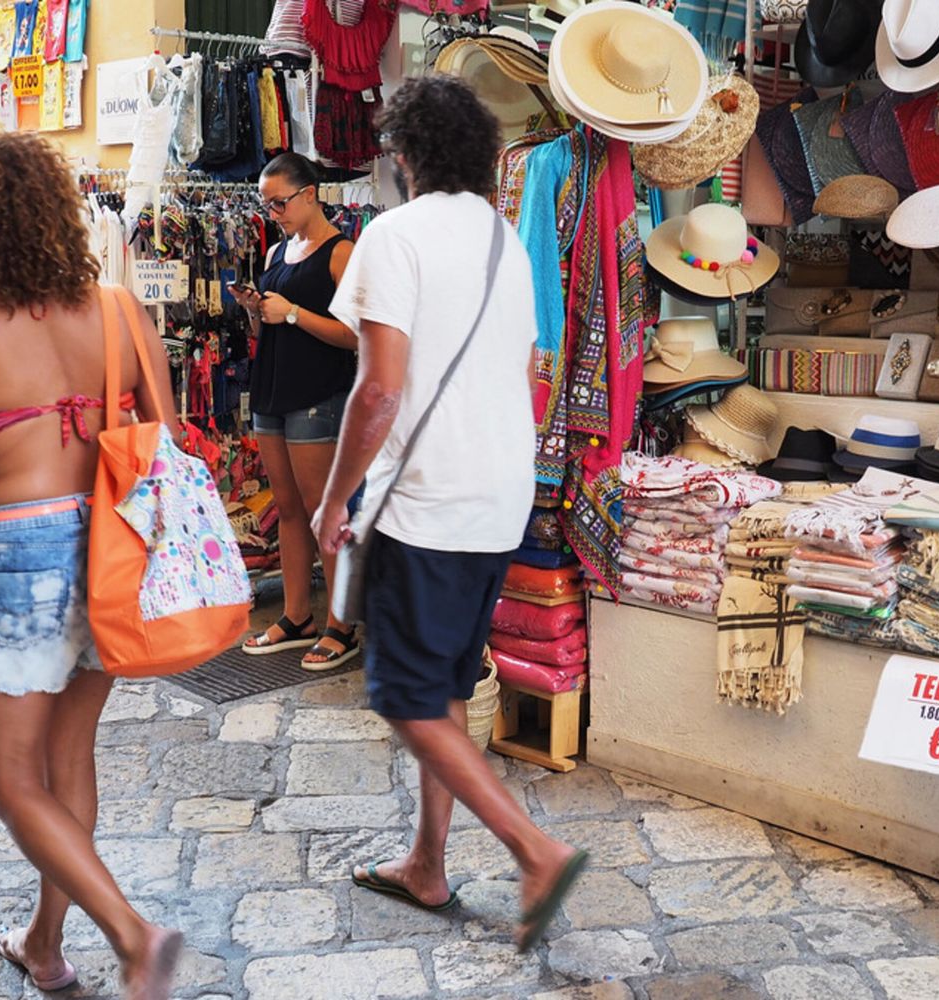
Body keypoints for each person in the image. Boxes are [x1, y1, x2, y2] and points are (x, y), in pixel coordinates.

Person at [314, 74, 587, 950]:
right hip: (499, 492)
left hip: (426, 502)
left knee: (405, 696)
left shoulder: (392, 237)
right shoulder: (504, 240)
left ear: (401, 156)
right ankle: (427, 865)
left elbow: (378, 392)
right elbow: (526, 369)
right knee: (450, 686)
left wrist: (332, 499)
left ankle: (532, 849)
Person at [0, 130, 182, 1000]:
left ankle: (134, 937)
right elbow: (164, 440)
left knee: (9, 779)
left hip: (21, 552)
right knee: (70, 758)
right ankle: (45, 945)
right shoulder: (115, 309)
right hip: (112, 546)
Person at [234, 152, 361, 670]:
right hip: (274, 388)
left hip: (318, 392)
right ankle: (295, 616)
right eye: (267, 205)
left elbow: (355, 335)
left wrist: (292, 313)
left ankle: (340, 623)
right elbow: (273, 326)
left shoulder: (342, 252)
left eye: (280, 202)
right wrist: (257, 312)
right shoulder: (277, 253)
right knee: (286, 509)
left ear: (310, 194)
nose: (274, 213)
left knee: (322, 511)